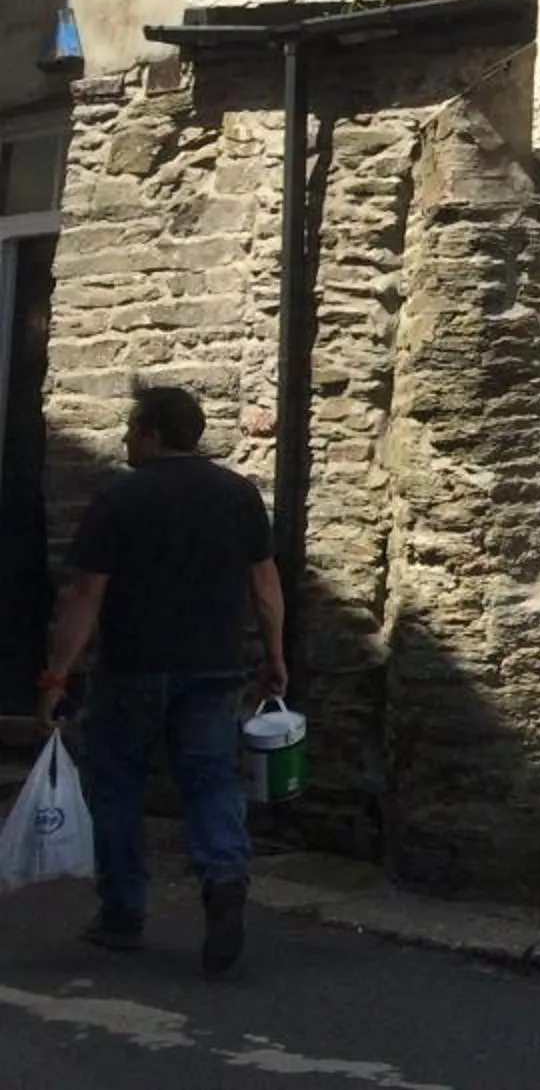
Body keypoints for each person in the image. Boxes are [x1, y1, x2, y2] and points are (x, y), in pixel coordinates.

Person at [35, 386, 286, 974]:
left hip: (132, 667)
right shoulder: (238, 495)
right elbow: (266, 585)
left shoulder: (120, 498)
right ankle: (224, 875)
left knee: (117, 785)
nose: (124, 440)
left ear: (151, 432)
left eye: (130, 429)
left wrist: (55, 676)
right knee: (212, 781)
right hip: (216, 666)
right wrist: (275, 655)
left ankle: (122, 912)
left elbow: (85, 595)